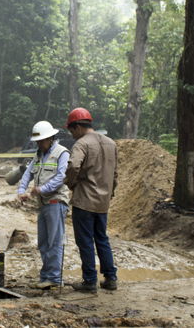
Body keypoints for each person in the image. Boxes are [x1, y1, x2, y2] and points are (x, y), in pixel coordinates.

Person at [63, 108, 118, 292]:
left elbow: (72, 167)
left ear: (77, 127)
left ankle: (89, 281)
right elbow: (115, 175)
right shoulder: (111, 143)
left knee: (85, 241)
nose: (72, 136)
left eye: (72, 132)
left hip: (84, 200)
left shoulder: (81, 144)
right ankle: (110, 278)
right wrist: (109, 193)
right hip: (103, 202)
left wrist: (70, 184)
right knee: (102, 238)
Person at [17, 121, 70, 290]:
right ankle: (46, 276)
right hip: (43, 204)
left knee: (55, 242)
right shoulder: (39, 154)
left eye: (41, 141)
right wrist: (21, 190)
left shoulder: (62, 153)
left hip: (55, 202)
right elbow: (28, 173)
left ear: (50, 138)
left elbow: (61, 177)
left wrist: (41, 189)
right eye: (37, 142)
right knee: (43, 242)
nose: (39, 144)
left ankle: (54, 279)